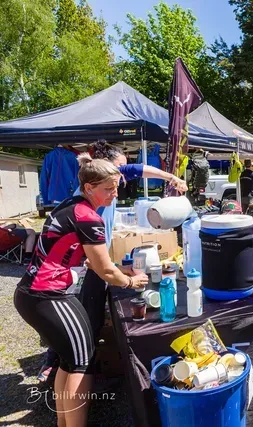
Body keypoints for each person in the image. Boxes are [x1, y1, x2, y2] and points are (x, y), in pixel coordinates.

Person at [15, 154, 149, 426]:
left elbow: (90, 259)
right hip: (47, 294)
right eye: (109, 188)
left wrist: (117, 270)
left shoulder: (72, 205)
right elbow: (105, 271)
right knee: (81, 361)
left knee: (70, 358)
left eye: (117, 186)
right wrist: (132, 282)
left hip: (36, 292)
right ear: (90, 188)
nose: (115, 193)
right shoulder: (89, 218)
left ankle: (65, 423)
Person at [38, 141, 188, 383]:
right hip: (83, 264)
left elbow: (140, 169)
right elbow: (89, 254)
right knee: (82, 312)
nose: (121, 178)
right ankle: (65, 361)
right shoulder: (87, 203)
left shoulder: (108, 180)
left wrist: (171, 177)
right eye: (119, 169)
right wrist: (123, 277)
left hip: (95, 257)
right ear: (104, 167)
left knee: (89, 310)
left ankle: (81, 358)